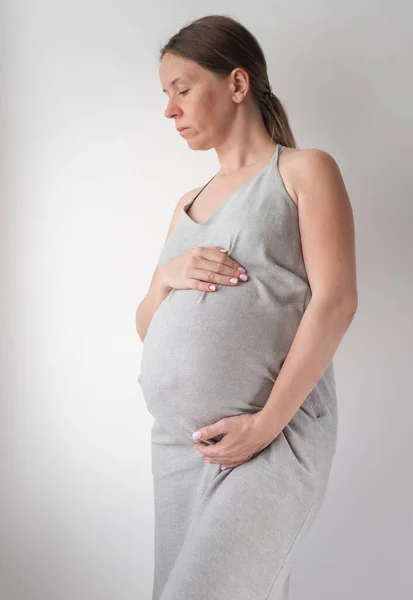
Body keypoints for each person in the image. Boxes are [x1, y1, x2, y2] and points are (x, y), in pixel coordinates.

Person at [136, 14, 357, 600]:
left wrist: (264, 426)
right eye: (166, 95)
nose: (170, 110)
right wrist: (165, 278)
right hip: (181, 451)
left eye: (182, 89)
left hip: (271, 436)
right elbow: (147, 328)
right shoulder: (188, 202)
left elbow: (335, 303)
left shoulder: (304, 170)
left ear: (236, 84)